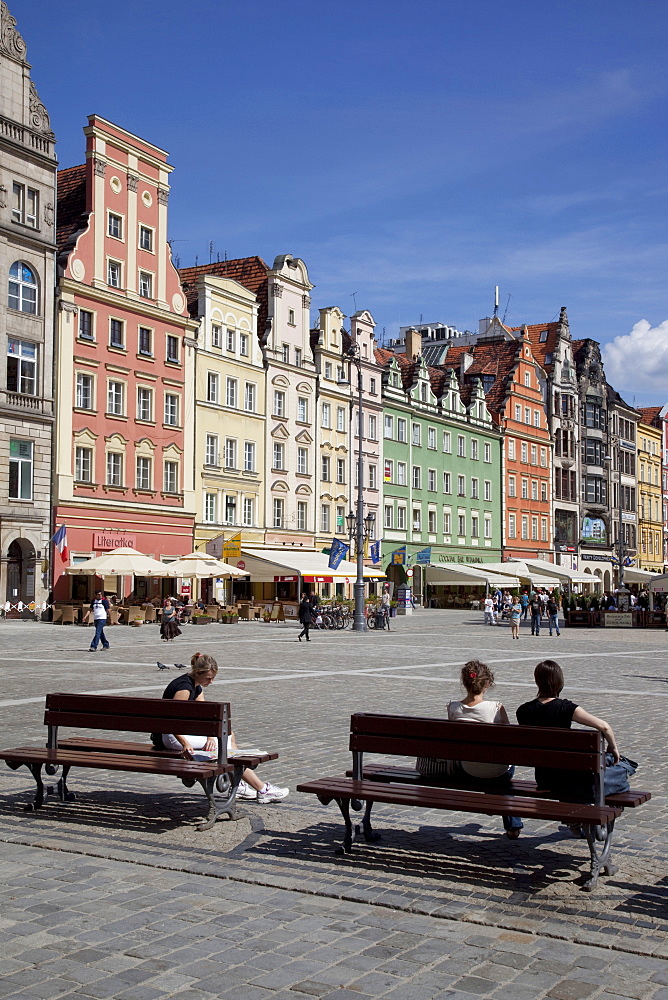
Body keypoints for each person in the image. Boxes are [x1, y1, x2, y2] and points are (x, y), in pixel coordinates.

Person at [152, 652, 289, 804]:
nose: (211, 682)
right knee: (224, 746)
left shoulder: (196, 687)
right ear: (198, 673)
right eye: (209, 678)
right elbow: (170, 721)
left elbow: (204, 717)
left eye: (213, 678)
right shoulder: (184, 688)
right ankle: (261, 789)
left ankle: (241, 784)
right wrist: (185, 743)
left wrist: (210, 736)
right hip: (171, 736)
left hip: (178, 733)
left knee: (229, 735)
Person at [416, 660, 523, 839]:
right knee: (504, 774)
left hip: (464, 770)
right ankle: (512, 825)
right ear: (487, 684)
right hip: (495, 773)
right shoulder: (496, 708)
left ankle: (499, 808)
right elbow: (509, 741)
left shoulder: (453, 708)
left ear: (464, 683)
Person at [516, 659, 620, 815]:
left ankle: (574, 819)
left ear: (537, 681)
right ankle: (577, 818)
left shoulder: (523, 711)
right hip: (569, 777)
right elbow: (604, 726)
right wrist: (613, 747)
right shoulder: (566, 708)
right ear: (559, 681)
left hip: (544, 778)